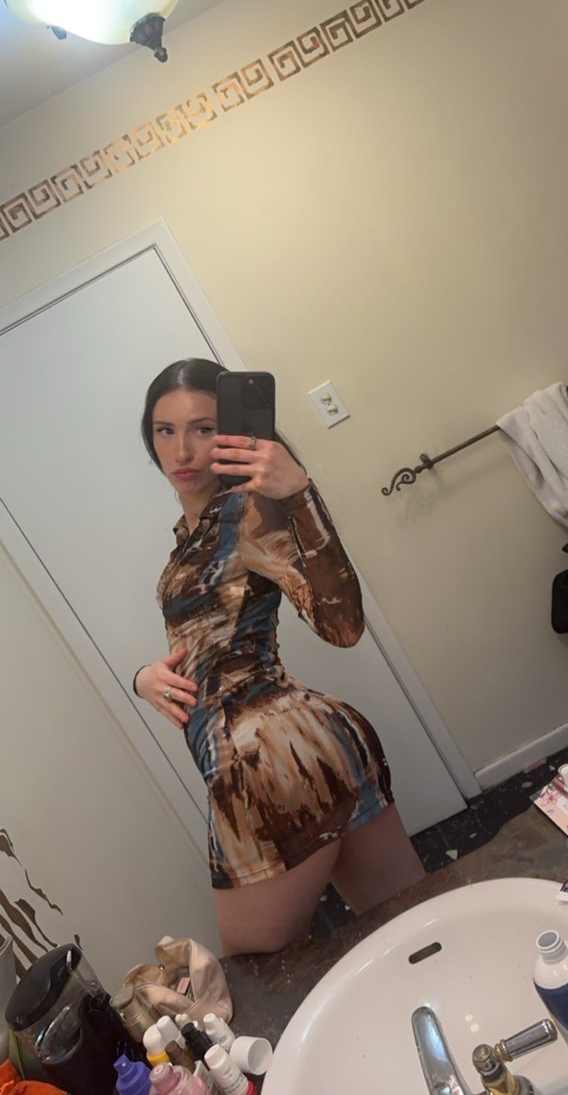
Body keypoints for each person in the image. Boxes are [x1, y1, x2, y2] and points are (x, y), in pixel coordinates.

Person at [133, 359, 425, 956]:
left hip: (262, 762)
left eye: (203, 428)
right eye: (165, 430)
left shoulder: (248, 513)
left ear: (234, 433)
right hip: (309, 743)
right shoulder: (195, 532)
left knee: (260, 973)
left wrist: (298, 495)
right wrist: (143, 678)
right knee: (415, 927)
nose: (182, 450)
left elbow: (342, 626)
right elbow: (213, 644)